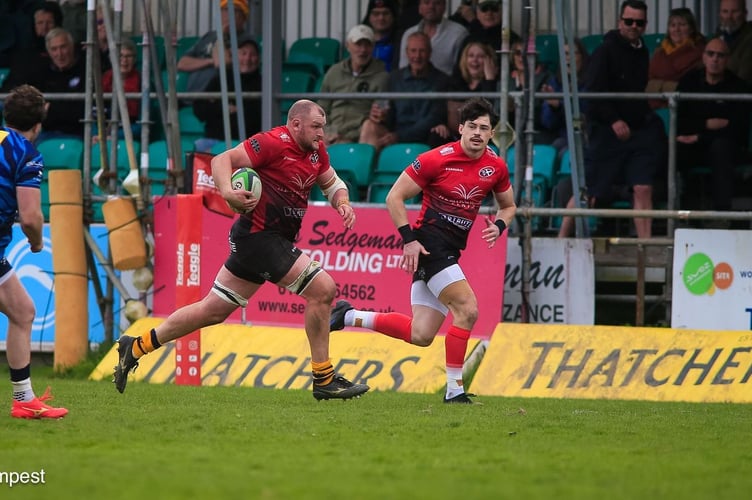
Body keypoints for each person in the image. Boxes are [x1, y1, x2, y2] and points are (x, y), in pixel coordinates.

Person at [113, 99, 370, 401]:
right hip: (260, 237)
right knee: (323, 290)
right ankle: (324, 378)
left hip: (266, 240)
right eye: (316, 126)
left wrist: (342, 201)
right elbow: (221, 160)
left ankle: (137, 345)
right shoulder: (272, 142)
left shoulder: (316, 152)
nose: (321, 133)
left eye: (323, 127)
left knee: (213, 310)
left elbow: (332, 182)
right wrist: (227, 193)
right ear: (295, 124)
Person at [331, 97, 515, 405]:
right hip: (430, 245)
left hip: (449, 251)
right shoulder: (436, 159)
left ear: (491, 134)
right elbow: (394, 197)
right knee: (468, 310)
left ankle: (348, 315)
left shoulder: (495, 167)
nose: (478, 133)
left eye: (484, 128)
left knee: (421, 334)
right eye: (472, 126)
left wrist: (499, 225)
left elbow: (509, 206)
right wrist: (409, 240)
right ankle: (455, 391)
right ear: (460, 128)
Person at [2, 84, 68, 419]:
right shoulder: (26, 154)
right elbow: (30, 216)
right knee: (23, 312)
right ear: (38, 125)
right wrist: (37, 242)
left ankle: (23, 399)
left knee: (22, 311)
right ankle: (23, 399)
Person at [583, 0, 666, 239]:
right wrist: (614, 120)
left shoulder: (643, 51)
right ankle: (563, 237)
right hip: (607, 131)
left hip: (637, 131)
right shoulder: (604, 50)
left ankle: (645, 246)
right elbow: (593, 92)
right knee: (589, 191)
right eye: (628, 21)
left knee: (643, 187)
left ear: (645, 25)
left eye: (639, 23)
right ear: (620, 22)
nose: (633, 26)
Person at [675, 38, 752, 213]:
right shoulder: (689, 82)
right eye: (711, 54)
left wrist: (700, 134)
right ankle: (685, 214)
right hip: (695, 143)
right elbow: (681, 122)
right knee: (675, 149)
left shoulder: (738, 87)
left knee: (721, 147)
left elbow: (737, 129)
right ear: (703, 57)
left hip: (725, 146)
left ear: (727, 60)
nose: (715, 59)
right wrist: (706, 124)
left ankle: (722, 214)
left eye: (720, 55)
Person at [359, 31, 449, 151]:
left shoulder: (442, 80)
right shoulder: (394, 77)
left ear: (429, 53)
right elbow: (386, 111)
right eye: (413, 51)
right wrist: (381, 115)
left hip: (424, 136)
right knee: (369, 125)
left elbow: (434, 118)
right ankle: (364, 168)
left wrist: (399, 136)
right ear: (406, 52)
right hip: (393, 135)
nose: (417, 56)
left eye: (422, 51)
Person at [318, 24, 389, 145]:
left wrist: (347, 138)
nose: (363, 50)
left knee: (370, 127)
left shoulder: (382, 77)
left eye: (367, 45)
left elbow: (379, 114)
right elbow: (322, 109)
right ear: (348, 46)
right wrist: (329, 132)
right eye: (358, 44)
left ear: (373, 48)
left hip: (359, 134)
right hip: (332, 133)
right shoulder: (334, 72)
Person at [193, 35, 262, 152]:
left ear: (259, 59)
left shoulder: (262, 83)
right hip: (212, 140)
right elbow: (199, 108)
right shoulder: (222, 79)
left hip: (246, 143)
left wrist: (217, 105)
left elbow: (254, 116)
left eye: (253, 54)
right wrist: (224, 108)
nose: (248, 59)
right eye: (243, 53)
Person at [430, 40, 497, 144]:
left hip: (480, 134)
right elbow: (440, 108)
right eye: (471, 56)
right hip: (455, 134)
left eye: (480, 57)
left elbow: (488, 112)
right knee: (437, 135)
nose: (475, 60)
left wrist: (489, 81)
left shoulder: (494, 84)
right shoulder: (454, 82)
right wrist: (440, 123)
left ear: (489, 61)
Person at [176, 0, 249, 94]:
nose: (228, 14)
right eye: (224, 10)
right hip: (193, 96)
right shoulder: (209, 36)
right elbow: (182, 63)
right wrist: (210, 61)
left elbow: (222, 62)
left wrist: (221, 35)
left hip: (215, 98)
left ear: (243, 17)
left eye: (233, 10)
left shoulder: (246, 40)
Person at [29, 27, 87, 142]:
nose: (59, 54)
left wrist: (51, 110)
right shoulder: (43, 72)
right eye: (54, 49)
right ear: (49, 52)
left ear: (71, 47)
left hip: (77, 135)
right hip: (46, 134)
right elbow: (36, 111)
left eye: (63, 47)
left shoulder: (85, 70)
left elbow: (81, 112)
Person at [647, 7, 705, 107]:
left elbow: (691, 87)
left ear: (691, 29)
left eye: (682, 25)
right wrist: (672, 87)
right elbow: (647, 84)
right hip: (654, 107)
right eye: (672, 25)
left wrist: (659, 86)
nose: (677, 29)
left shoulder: (701, 52)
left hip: (687, 107)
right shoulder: (659, 52)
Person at [1, 1, 63, 92]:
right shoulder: (23, 56)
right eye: (40, 23)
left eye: (49, 22)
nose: (44, 27)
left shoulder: (63, 52)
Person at [398, 0, 468, 75]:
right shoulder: (408, 34)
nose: (431, 7)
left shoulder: (459, 34)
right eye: (426, 2)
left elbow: (462, 71)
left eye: (437, 3)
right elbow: (403, 69)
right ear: (420, 8)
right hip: (412, 85)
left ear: (444, 7)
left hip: (446, 85)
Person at [95, 37, 141, 140]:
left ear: (134, 59)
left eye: (128, 56)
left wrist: (114, 136)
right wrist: (97, 134)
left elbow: (143, 124)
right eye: (120, 56)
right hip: (101, 135)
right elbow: (93, 115)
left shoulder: (143, 83)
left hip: (128, 138)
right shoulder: (102, 80)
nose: (124, 60)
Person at [716, 0, 752, 83]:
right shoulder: (715, 38)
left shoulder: (749, 39)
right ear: (719, 14)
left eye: (734, 11)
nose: (729, 16)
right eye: (725, 11)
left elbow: (744, 77)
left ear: (745, 13)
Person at [362, 0, 401, 72]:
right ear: (369, 17)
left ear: (393, 16)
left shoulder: (402, 41)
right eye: (376, 14)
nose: (381, 18)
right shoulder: (360, 40)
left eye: (386, 13)